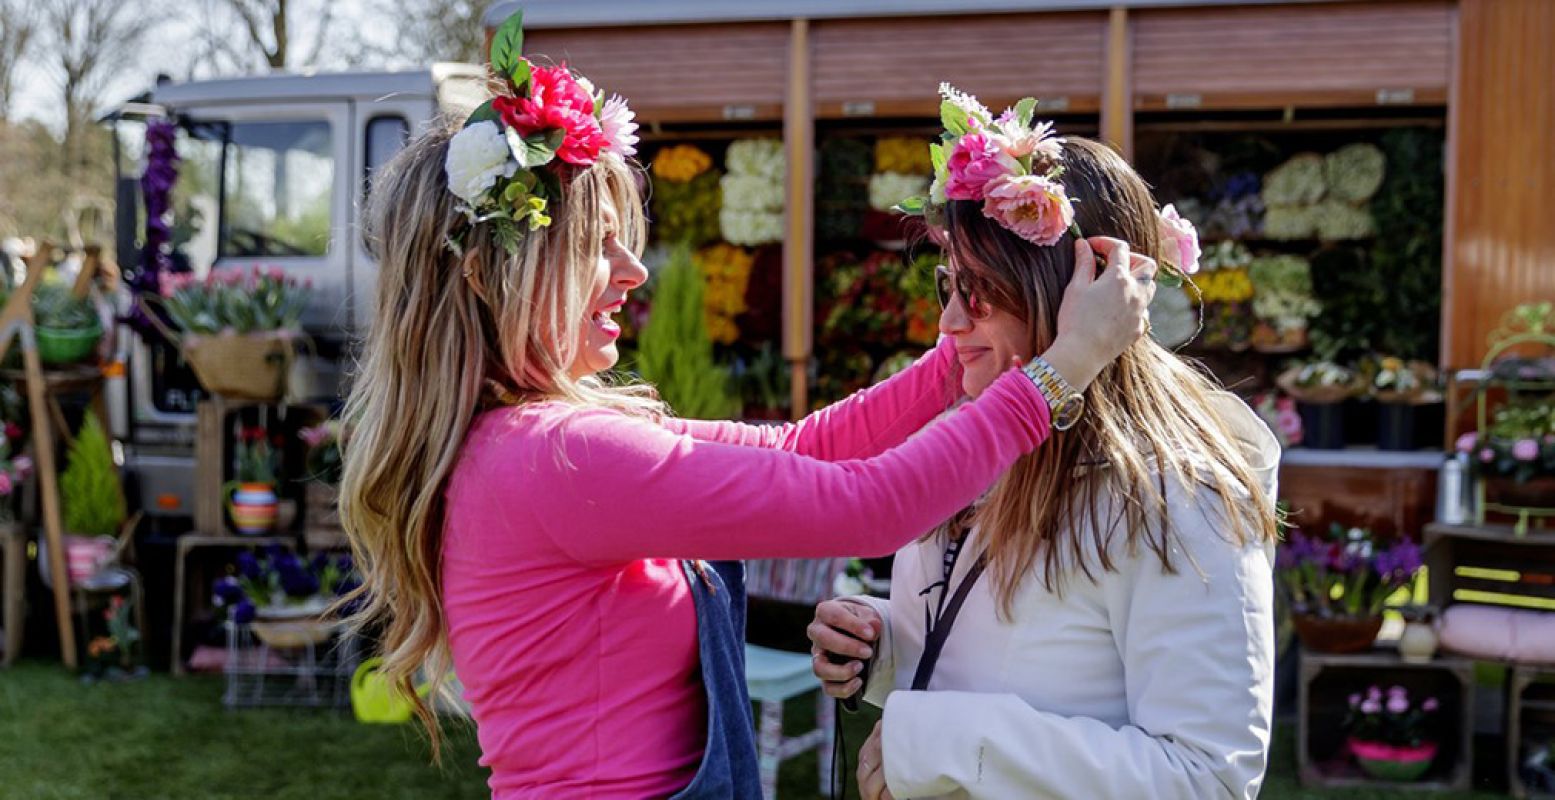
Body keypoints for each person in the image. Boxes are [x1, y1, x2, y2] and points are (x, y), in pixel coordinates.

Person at [337, 21, 1156, 800]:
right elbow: (870, 508)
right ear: (489, 276)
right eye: (594, 246)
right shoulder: (558, 456)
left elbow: (807, 446)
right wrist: (1059, 370)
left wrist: (969, 337)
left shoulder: (529, 443)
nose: (633, 272)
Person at [809, 87, 1281, 800]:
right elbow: (1017, 652)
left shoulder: (1179, 496)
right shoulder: (975, 442)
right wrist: (885, 643)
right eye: (947, 283)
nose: (948, 321)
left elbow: (1208, 778)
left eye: (981, 290)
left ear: (1082, 292)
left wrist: (939, 741)